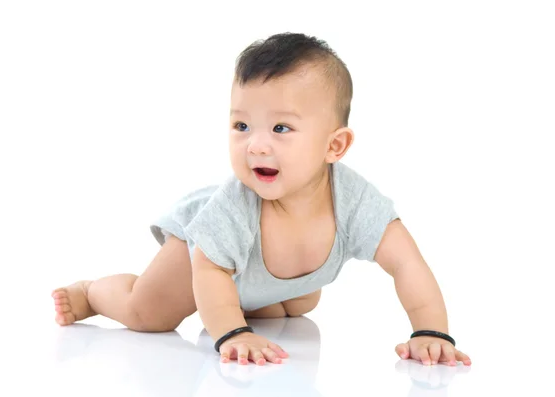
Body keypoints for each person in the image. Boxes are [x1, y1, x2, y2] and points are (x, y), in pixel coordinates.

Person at [51, 32, 472, 368]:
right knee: (149, 314)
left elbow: (406, 262)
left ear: (335, 146)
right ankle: (94, 292)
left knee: (299, 303)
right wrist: (232, 332)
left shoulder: (355, 202)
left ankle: (257, 300)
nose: (255, 145)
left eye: (281, 129)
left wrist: (431, 332)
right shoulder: (235, 205)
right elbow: (212, 269)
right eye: (242, 125)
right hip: (203, 258)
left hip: (261, 280)